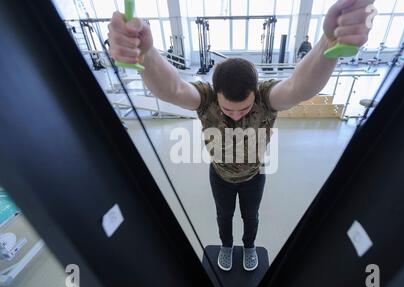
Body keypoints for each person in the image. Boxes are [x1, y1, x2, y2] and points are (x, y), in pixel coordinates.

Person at [108, 0, 373, 272]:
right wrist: (147, 53)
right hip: (220, 176)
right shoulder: (206, 98)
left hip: (254, 177)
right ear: (216, 95)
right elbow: (174, 88)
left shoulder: (266, 98)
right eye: (227, 109)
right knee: (224, 216)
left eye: (244, 108)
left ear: (255, 94)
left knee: (250, 216)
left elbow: (298, 87)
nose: (235, 115)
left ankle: (248, 247)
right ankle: (226, 245)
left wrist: (328, 43)